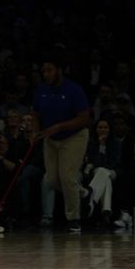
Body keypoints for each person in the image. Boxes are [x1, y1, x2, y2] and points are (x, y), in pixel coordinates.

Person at [32, 47, 91, 233]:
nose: (46, 74)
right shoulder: (41, 90)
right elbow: (35, 113)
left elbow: (84, 118)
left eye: (49, 70)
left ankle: (74, 219)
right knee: (52, 180)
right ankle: (84, 193)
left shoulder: (74, 90)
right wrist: (35, 131)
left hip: (74, 136)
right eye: (44, 71)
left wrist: (59, 126)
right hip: (50, 138)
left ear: (59, 70)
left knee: (67, 177)